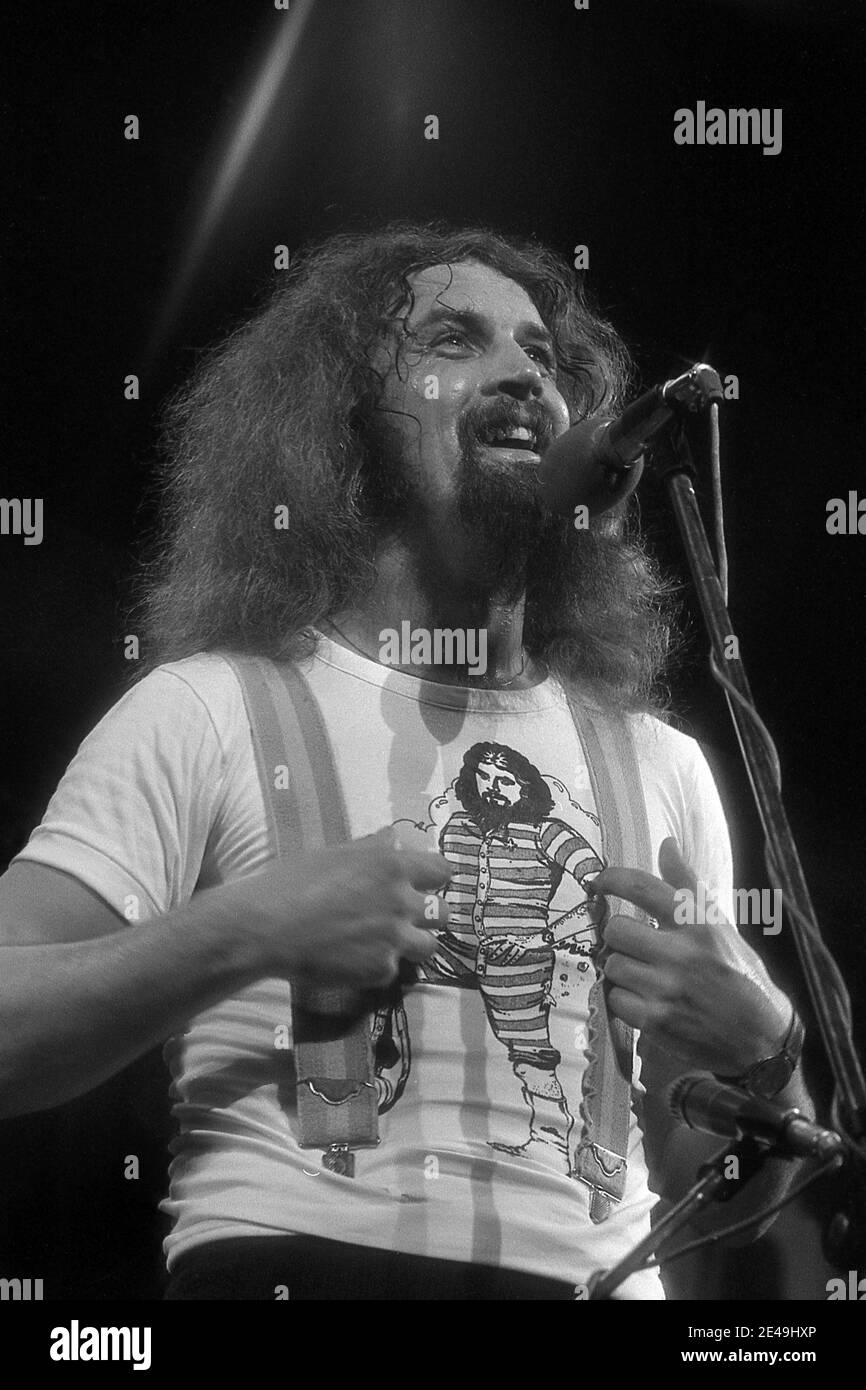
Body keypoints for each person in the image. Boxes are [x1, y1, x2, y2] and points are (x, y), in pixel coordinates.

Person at [0, 223, 811, 1300]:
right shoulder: (207, 708)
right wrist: (246, 927)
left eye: (540, 354)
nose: (522, 371)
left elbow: (723, 1209)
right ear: (338, 425)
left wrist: (766, 1057)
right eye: (453, 339)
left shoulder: (658, 767)